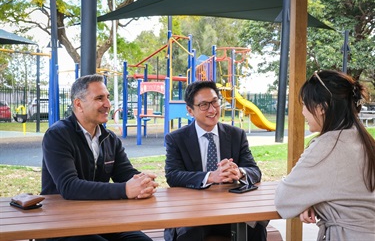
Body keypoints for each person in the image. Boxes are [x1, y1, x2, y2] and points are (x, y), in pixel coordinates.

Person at [41, 74, 159, 241]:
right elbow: (69, 186)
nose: (108, 104)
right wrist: (125, 189)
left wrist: (142, 182)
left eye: (108, 98)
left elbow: (124, 173)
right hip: (62, 223)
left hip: (101, 218)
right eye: (99, 98)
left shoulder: (109, 138)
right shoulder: (58, 135)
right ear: (78, 104)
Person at [275, 70, 375, 241]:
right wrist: (314, 200)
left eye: (305, 104)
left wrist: (308, 199)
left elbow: (283, 198)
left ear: (321, 108)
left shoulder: (328, 146)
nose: (303, 112)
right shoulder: (362, 138)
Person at [163, 80, 267, 241]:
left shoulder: (236, 135)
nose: (212, 110)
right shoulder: (176, 139)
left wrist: (239, 172)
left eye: (215, 102)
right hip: (192, 210)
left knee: (256, 230)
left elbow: (254, 171)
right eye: (204, 105)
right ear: (190, 110)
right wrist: (211, 177)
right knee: (188, 235)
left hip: (230, 209)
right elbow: (173, 176)